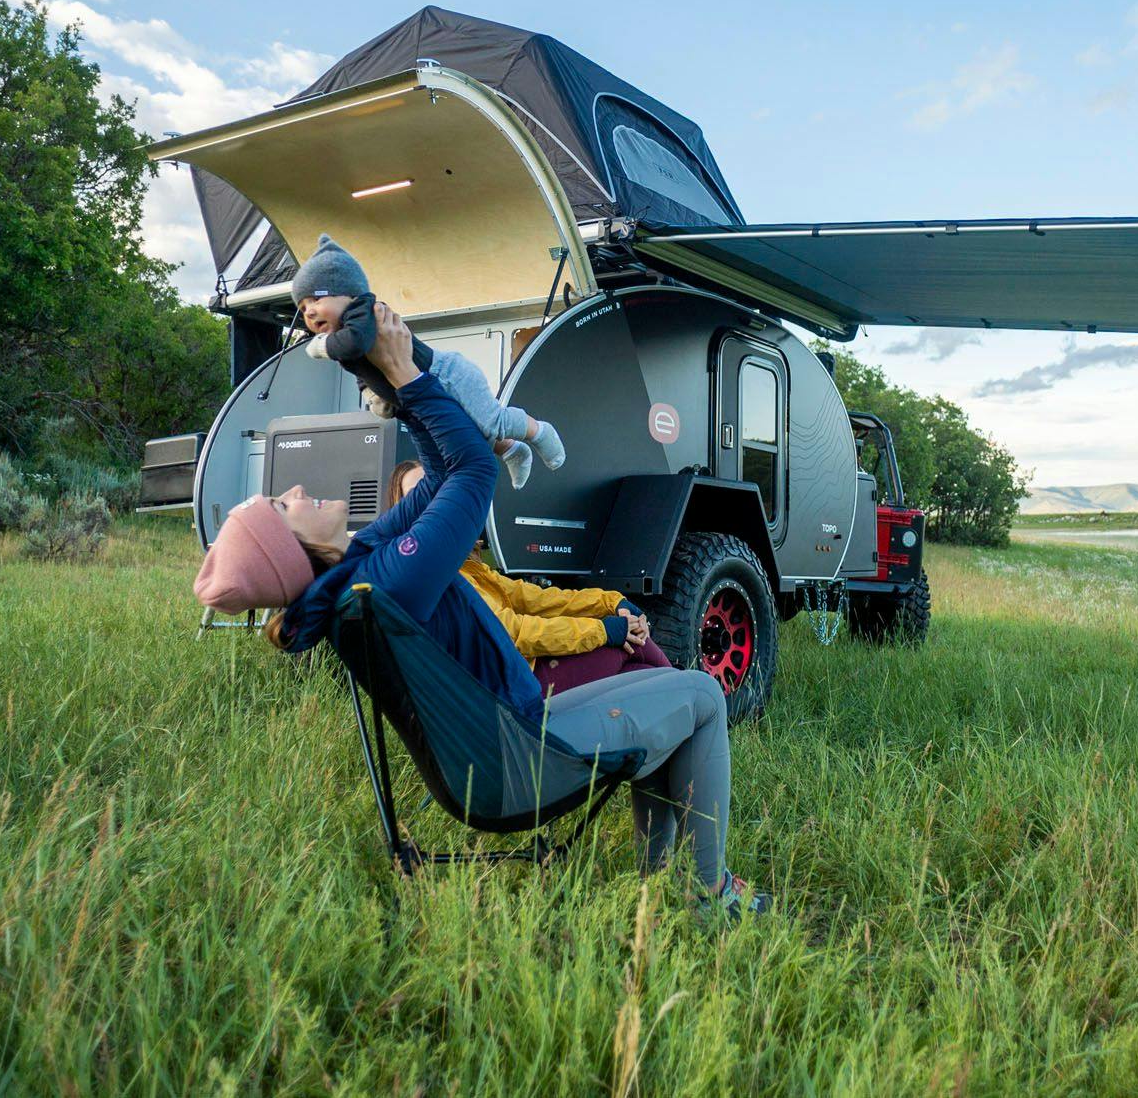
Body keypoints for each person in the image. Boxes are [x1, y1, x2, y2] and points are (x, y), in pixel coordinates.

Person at [192, 302, 768, 917]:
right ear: (296, 552)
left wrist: (393, 375)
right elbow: (471, 471)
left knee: (662, 687)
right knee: (703, 697)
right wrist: (410, 378)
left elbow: (441, 476)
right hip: (520, 761)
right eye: (284, 505)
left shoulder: (360, 568)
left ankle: (664, 885)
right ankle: (708, 896)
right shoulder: (388, 580)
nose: (298, 489)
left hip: (497, 750)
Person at [294, 234, 564, 489]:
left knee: (492, 422)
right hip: (423, 392)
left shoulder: (363, 311)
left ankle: (538, 431)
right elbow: (361, 368)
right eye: (303, 308)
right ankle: (512, 450)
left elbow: (357, 343)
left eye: (316, 299)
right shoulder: (345, 336)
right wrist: (373, 394)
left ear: (348, 293)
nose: (310, 312)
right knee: (471, 430)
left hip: (447, 375)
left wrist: (322, 347)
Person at [384, 461, 674, 693]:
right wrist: (604, 631)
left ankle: (685, 704)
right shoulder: (436, 577)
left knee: (640, 675)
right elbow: (513, 633)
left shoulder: (467, 568)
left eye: (435, 490)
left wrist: (611, 602)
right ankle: (694, 694)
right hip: (509, 689)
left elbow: (538, 599)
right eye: (417, 495)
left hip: (521, 671)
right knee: (636, 649)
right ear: (403, 514)